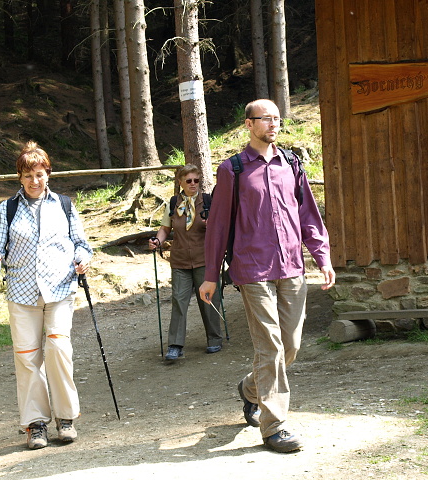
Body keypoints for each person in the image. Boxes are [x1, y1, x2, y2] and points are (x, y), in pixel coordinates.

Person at [199, 99, 336, 453]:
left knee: (290, 344)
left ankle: (249, 388)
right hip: (252, 268)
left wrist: (322, 256)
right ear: (249, 124)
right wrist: (211, 274)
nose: (273, 124)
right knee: (270, 345)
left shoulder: (291, 163)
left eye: (277, 118)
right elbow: (218, 225)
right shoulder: (234, 169)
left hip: (291, 265)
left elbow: (308, 214)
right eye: (265, 119)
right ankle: (273, 426)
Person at [0, 141, 93, 450]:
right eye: (29, 175)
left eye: (40, 174)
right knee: (27, 359)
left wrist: (83, 258)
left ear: (48, 175)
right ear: (19, 177)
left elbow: (81, 243)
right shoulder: (8, 208)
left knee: (58, 349)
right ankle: (36, 424)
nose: (35, 181)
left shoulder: (64, 204)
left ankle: (66, 418)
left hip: (59, 289)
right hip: (21, 293)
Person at [149, 164, 223, 361]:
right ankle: (175, 345)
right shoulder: (173, 203)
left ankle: (214, 338)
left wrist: (211, 225)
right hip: (180, 259)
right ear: (180, 182)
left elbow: (220, 228)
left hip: (204, 259)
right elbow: (165, 228)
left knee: (208, 300)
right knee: (179, 302)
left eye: (196, 180)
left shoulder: (208, 201)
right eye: (188, 180)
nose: (193, 184)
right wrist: (158, 241)